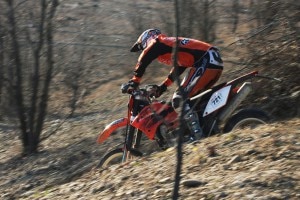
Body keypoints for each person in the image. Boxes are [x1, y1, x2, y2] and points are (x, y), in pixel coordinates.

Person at [122, 29, 224, 141]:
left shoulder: (158, 41)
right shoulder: (169, 44)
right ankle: (207, 127)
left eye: (142, 47)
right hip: (212, 60)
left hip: (206, 60)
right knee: (194, 100)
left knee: (180, 97)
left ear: (147, 38)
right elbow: (181, 66)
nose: (143, 49)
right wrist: (163, 86)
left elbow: (144, 59)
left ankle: (197, 136)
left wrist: (134, 80)